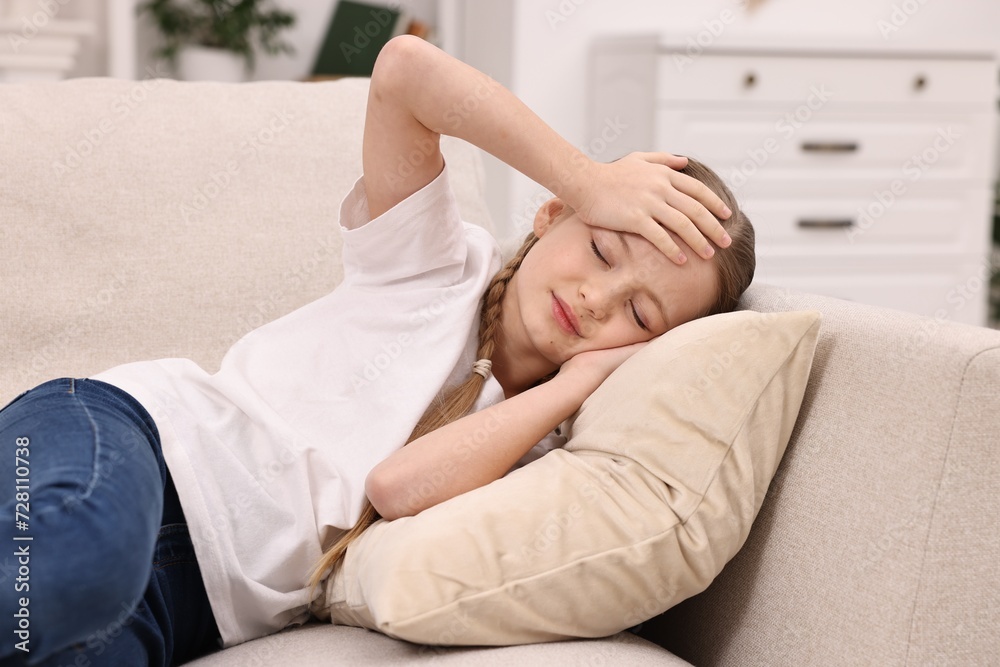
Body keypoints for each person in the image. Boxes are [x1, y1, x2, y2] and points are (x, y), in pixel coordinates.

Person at [0, 35, 754, 667]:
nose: (596, 299)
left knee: (59, 638)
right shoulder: (434, 267)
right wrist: (591, 177)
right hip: (135, 441)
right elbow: (404, 72)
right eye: (599, 247)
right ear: (554, 214)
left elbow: (395, 485)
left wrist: (571, 385)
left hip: (196, 598)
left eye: (639, 312)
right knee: (80, 560)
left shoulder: (544, 449)